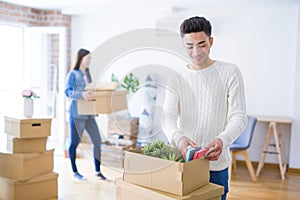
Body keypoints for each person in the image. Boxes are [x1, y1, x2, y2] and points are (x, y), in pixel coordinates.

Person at [163, 16, 247, 199]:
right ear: (182, 45)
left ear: (211, 41)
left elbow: (239, 116)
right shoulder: (176, 78)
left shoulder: (230, 72)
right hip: (185, 165)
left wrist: (222, 140)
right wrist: (180, 139)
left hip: (216, 168)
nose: (196, 52)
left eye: (202, 44)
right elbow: (167, 118)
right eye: (189, 46)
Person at [65, 48, 107, 181]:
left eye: (90, 59)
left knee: (97, 141)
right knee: (75, 143)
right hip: (77, 114)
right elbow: (67, 92)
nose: (89, 61)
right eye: (87, 58)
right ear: (81, 58)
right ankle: (75, 171)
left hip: (89, 115)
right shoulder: (73, 74)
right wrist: (81, 95)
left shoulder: (88, 74)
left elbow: (90, 92)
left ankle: (97, 171)